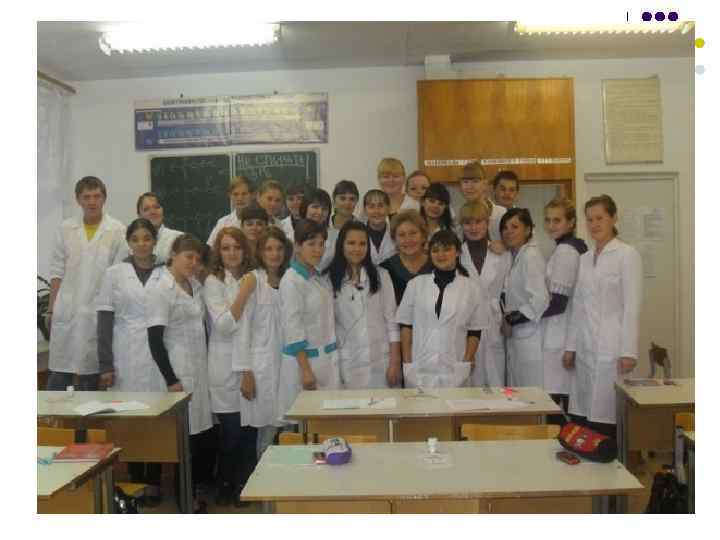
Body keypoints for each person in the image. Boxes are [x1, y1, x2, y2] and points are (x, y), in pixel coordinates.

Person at [95, 218, 165, 504]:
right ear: (129, 243)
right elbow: (104, 320)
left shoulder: (166, 271)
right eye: (135, 239)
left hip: (160, 352)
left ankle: (155, 481)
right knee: (131, 420)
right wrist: (105, 364)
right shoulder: (114, 274)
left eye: (147, 238)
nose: (141, 244)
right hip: (125, 352)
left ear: (155, 241)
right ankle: (136, 482)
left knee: (158, 418)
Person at [145, 234, 213, 512]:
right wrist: (171, 379)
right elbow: (154, 339)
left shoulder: (195, 285)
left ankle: (189, 495)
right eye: (188, 256)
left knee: (196, 438)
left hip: (198, 369)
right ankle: (184, 501)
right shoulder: (161, 288)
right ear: (173, 254)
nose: (193, 262)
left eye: (197, 258)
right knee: (179, 439)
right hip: (176, 373)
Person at [564, 195, 642, 437]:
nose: (594, 224)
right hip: (585, 344)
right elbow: (577, 306)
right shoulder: (584, 259)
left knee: (608, 413)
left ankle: (612, 455)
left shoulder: (627, 255)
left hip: (613, 346)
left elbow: (632, 306)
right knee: (585, 412)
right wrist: (570, 347)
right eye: (589, 219)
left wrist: (629, 351)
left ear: (613, 218)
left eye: (600, 218)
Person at [46, 176, 127, 391]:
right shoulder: (65, 228)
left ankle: (87, 412)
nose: (92, 202)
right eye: (86, 197)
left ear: (104, 198)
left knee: (91, 377)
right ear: (78, 200)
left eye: (97, 196)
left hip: (98, 311)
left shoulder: (117, 230)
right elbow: (57, 271)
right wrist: (52, 309)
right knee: (59, 376)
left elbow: (117, 277)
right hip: (68, 310)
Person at [202, 227, 256, 507]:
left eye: (237, 247)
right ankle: (225, 485)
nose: (232, 253)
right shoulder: (213, 282)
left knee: (249, 431)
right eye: (226, 248)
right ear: (218, 252)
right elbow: (224, 326)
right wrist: (244, 293)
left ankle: (244, 486)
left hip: (251, 365)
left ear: (245, 250)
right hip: (224, 367)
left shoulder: (253, 277)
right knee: (231, 432)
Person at [396, 229, 489, 388]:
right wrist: (407, 362)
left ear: (457, 252)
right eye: (435, 250)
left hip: (455, 367)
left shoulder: (471, 288)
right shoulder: (415, 285)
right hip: (419, 366)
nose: (441, 255)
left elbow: (475, 330)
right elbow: (406, 326)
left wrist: (466, 361)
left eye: (446, 249)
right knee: (421, 403)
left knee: (454, 403)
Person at [233, 226, 293, 459]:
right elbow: (242, 330)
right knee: (267, 433)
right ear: (260, 251)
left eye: (279, 248)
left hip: (288, 365)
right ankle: (264, 481)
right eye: (268, 249)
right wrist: (246, 372)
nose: (274, 254)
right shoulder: (253, 280)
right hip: (262, 368)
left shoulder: (290, 279)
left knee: (291, 429)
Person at [276, 220, 341, 424]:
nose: (318, 250)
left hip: (324, 361)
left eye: (321, 244)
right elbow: (293, 329)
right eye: (311, 244)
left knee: (325, 425)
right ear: (297, 246)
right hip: (304, 365)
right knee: (305, 429)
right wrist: (305, 371)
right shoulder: (291, 280)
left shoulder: (317, 277)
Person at [324, 221, 402, 388]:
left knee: (384, 404)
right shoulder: (328, 279)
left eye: (362, 243)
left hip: (381, 362)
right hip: (347, 363)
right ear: (341, 245)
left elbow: (392, 322)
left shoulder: (382, 276)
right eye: (351, 243)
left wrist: (395, 362)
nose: (357, 249)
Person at [541, 197, 588, 420]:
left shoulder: (566, 252)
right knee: (565, 400)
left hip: (561, 336)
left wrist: (524, 315)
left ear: (571, 222)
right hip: (563, 333)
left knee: (558, 404)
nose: (551, 225)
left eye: (557, 220)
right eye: (548, 220)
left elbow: (558, 303)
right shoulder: (569, 247)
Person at [458, 202, 512, 388]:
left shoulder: (503, 254)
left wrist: (507, 318)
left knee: (496, 378)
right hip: (466, 323)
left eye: (478, 222)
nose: (473, 228)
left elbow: (508, 290)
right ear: (461, 225)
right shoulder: (456, 255)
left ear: (487, 223)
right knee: (468, 380)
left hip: (495, 322)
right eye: (467, 222)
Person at [500, 208, 550, 388]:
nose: (509, 232)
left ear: (528, 230)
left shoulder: (530, 256)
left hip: (530, 335)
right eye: (505, 228)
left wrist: (510, 319)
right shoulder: (517, 255)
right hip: (520, 336)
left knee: (530, 392)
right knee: (519, 391)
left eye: (515, 227)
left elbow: (540, 299)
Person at [380, 210, 433, 305]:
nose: (408, 239)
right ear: (394, 240)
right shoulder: (384, 270)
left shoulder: (437, 265)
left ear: (423, 236)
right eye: (402, 235)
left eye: (413, 233)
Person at [458, 161, 506, 243]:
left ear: (485, 184)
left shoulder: (501, 213)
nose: (470, 186)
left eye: (475, 181)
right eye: (465, 182)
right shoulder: (458, 214)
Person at [136, 192, 183, 263]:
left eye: (157, 207)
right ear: (139, 216)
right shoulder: (132, 243)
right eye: (146, 209)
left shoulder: (178, 238)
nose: (152, 212)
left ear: (162, 210)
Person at [207, 176, 252, 246]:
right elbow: (211, 248)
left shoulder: (260, 222)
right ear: (230, 196)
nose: (240, 198)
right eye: (235, 194)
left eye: (244, 194)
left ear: (252, 195)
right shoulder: (223, 223)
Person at [299, 188, 336, 271]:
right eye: (315, 207)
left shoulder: (336, 236)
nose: (320, 212)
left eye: (324, 209)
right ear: (305, 208)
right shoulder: (292, 235)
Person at [363, 189, 396, 265]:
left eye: (381, 206)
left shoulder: (396, 231)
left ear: (388, 208)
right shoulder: (357, 233)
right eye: (371, 206)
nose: (376, 211)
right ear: (365, 210)